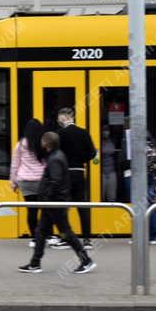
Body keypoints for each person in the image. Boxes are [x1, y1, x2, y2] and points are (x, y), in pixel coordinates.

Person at [19, 132, 96, 275]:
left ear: (46, 143)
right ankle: (35, 263)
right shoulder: (56, 155)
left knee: (66, 233)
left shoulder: (54, 159)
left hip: (55, 203)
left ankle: (86, 261)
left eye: (42, 141)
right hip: (52, 203)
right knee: (41, 232)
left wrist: (47, 197)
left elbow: (55, 180)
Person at [53, 107, 96, 250]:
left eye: (59, 117)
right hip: (79, 172)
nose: (58, 120)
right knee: (82, 206)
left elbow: (55, 154)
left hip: (65, 174)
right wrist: (81, 160)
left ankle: (66, 238)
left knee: (63, 207)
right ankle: (87, 239)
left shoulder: (60, 134)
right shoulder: (83, 132)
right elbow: (92, 153)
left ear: (65, 117)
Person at [10, 118, 46, 247]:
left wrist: (13, 182)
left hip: (25, 181)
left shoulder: (20, 144)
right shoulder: (42, 143)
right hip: (42, 181)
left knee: (32, 210)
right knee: (46, 210)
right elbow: (47, 162)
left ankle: (35, 238)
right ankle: (47, 235)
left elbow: (15, 164)